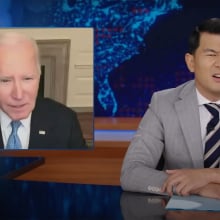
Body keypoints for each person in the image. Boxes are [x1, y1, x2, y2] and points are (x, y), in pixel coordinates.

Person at [120, 17, 220, 199]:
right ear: (191, 62)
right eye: (211, 54)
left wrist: (208, 176)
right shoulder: (163, 103)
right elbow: (131, 172)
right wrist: (195, 188)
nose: (219, 63)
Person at [0, 31, 87, 149]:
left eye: (27, 78)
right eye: (5, 81)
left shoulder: (65, 120)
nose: (18, 95)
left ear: (39, 78)